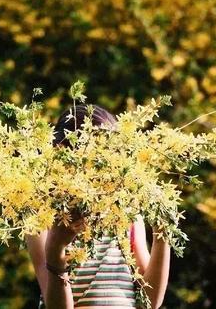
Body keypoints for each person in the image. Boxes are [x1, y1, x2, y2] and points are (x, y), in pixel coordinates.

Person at [25, 104, 171, 309]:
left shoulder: (127, 212)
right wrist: (56, 247)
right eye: (93, 157)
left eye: (108, 156)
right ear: (61, 154)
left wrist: (162, 234)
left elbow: (150, 302)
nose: (100, 169)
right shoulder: (41, 217)